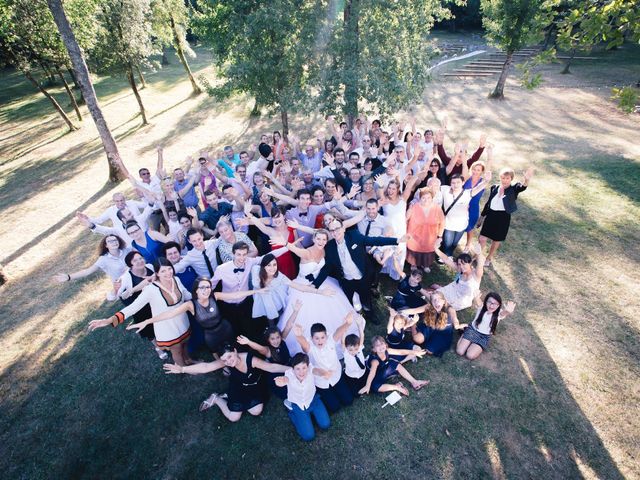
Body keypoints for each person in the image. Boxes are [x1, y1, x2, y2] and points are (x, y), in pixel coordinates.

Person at [88, 258, 193, 366]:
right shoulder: (151, 289)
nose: (168, 273)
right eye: (163, 271)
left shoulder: (176, 279)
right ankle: (184, 369)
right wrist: (109, 320)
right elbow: (133, 307)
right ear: (157, 273)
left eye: (169, 269)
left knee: (184, 344)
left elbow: (186, 294)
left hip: (182, 320)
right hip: (167, 327)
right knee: (177, 350)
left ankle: (189, 360)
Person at [127, 277, 262, 358]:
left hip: (225, 327)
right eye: (202, 287)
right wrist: (147, 321)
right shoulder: (190, 305)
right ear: (196, 290)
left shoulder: (215, 296)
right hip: (210, 334)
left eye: (208, 287)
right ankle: (222, 366)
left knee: (234, 344)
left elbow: (235, 295)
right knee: (215, 350)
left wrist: (256, 291)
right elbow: (169, 314)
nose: (206, 290)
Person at [274, 229, 361, 353]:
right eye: (318, 238)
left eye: (324, 239)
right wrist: (286, 243)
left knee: (333, 301)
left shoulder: (325, 251)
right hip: (303, 286)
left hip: (321, 282)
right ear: (314, 239)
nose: (321, 241)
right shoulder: (306, 253)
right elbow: (295, 249)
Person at [163, 344, 290, 420]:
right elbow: (206, 367)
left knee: (256, 411)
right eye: (224, 360)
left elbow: (272, 367)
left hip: (254, 387)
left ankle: (227, 396)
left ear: (235, 351)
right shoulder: (225, 362)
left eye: (230, 357)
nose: (228, 362)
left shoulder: (250, 359)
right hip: (238, 387)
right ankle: (217, 398)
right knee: (233, 417)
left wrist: (291, 369)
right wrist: (182, 369)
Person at [313, 218, 403, 315]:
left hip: (362, 276)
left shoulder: (354, 236)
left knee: (365, 297)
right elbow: (327, 268)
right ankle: (352, 315)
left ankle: (369, 314)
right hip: (346, 280)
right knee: (348, 299)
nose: (335, 232)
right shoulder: (329, 247)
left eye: (337, 229)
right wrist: (315, 285)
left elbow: (375, 240)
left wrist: (397, 240)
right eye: (332, 230)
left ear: (343, 228)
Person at [211, 242, 288, 340]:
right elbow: (211, 285)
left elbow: (268, 256)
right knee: (235, 329)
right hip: (229, 305)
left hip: (245, 302)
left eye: (244, 254)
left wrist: (288, 247)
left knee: (249, 327)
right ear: (233, 254)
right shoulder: (221, 269)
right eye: (238, 254)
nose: (242, 258)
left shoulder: (249, 262)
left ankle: (252, 347)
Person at [249, 254, 334, 331]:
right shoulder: (256, 270)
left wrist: (320, 292)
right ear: (263, 266)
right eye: (269, 265)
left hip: (273, 300)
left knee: (273, 318)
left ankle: (272, 331)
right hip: (260, 299)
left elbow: (300, 287)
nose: (272, 268)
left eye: (274, 265)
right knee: (262, 316)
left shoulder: (280, 277)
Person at [237, 304, 301, 399]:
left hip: (290, 364)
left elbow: (288, 325)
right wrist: (248, 342)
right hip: (279, 371)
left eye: (277, 337)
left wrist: (295, 311)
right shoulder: (268, 350)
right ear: (268, 340)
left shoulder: (282, 340)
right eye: (272, 339)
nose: (276, 341)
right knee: (291, 391)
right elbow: (259, 348)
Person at [293, 317, 354, 414]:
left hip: (336, 377)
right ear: (312, 338)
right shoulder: (310, 348)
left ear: (326, 336)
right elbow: (303, 343)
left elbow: (339, 331)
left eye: (322, 337)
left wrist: (348, 323)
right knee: (334, 408)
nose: (320, 341)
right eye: (316, 338)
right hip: (322, 383)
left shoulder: (330, 341)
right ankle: (320, 395)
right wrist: (298, 336)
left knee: (348, 400)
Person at [478, 167, 534, 267]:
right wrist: (481, 217)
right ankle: (478, 257)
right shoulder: (494, 187)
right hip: (491, 215)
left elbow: (522, 187)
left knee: (496, 240)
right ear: (500, 177)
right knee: (482, 238)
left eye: (507, 178)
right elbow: (488, 203)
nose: (505, 180)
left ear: (511, 179)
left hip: (503, 218)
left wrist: (527, 180)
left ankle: (489, 258)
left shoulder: (513, 189)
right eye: (503, 178)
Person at [115, 251, 164, 358]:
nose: (139, 261)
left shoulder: (150, 267)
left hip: (155, 301)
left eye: (140, 258)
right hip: (141, 307)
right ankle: (158, 348)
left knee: (161, 321)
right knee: (149, 328)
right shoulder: (126, 277)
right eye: (135, 260)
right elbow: (121, 296)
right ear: (130, 264)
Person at [52, 234, 130, 300]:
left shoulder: (127, 251)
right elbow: (87, 271)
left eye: (115, 240)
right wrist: (69, 277)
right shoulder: (104, 259)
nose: (114, 242)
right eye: (110, 241)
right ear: (106, 245)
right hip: (122, 287)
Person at [274, 353, 331, 442]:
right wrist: (280, 381)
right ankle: (292, 411)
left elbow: (317, 371)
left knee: (325, 424)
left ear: (307, 367)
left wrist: (324, 373)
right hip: (298, 405)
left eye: (304, 368)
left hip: (313, 401)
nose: (301, 372)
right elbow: (285, 379)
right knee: (308, 436)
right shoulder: (289, 374)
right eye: (298, 369)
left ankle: (309, 417)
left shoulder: (310, 369)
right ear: (293, 369)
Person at [432, 240, 486, 327]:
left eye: (464, 264)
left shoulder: (476, 275)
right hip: (453, 289)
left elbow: (480, 265)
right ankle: (438, 288)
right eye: (459, 264)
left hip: (462, 299)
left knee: (443, 305)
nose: (461, 266)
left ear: (470, 263)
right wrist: (435, 248)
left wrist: (479, 253)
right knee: (435, 295)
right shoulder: (460, 269)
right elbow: (446, 259)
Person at [440, 172, 489, 258]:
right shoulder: (445, 189)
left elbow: (479, 187)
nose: (455, 185)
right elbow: (433, 187)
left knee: (454, 243)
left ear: (463, 183)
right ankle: (446, 256)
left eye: (458, 182)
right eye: (453, 183)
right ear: (450, 183)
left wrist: (486, 181)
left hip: (461, 225)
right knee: (447, 243)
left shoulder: (467, 193)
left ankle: (449, 254)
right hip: (448, 224)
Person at [359, 336, 428, 396]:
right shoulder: (375, 361)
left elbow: (401, 352)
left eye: (382, 343)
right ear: (374, 349)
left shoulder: (387, 351)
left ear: (385, 345)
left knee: (395, 364)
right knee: (375, 387)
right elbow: (372, 373)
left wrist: (415, 352)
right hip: (375, 376)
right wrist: (367, 386)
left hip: (383, 370)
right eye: (377, 345)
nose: (381, 346)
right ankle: (396, 387)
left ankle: (414, 382)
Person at [242, 205, 298, 279]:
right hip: (275, 265)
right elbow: (260, 225)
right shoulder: (271, 231)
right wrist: (249, 215)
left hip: (290, 262)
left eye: (278, 216)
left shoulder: (292, 228)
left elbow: (298, 245)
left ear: (284, 216)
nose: (276, 220)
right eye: (274, 217)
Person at [457, 293, 516, 360]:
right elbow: (478, 300)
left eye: (495, 304)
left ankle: (470, 341)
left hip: (483, 337)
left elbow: (504, 313)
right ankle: (464, 332)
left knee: (470, 355)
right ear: (485, 302)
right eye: (489, 302)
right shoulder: (481, 307)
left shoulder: (499, 313)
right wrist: (476, 297)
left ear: (499, 305)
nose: (491, 306)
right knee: (460, 352)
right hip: (472, 330)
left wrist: (507, 311)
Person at [408, 291, 462, 357]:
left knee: (430, 351)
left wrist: (457, 324)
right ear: (431, 303)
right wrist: (398, 312)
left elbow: (454, 318)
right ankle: (413, 324)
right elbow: (414, 311)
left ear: (444, 301)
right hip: (430, 327)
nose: (436, 302)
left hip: (442, 333)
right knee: (417, 339)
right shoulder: (430, 306)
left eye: (439, 299)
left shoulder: (449, 309)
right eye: (434, 300)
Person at [406, 188, 445, 273]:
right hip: (415, 237)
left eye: (428, 198)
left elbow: (442, 222)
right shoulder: (414, 206)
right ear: (420, 198)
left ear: (432, 198)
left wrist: (440, 236)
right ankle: (414, 264)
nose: (426, 200)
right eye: (423, 197)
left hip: (430, 237)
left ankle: (426, 265)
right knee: (414, 250)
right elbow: (406, 219)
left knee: (428, 251)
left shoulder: (437, 208)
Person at [341, 315, 368, 396]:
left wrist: (359, 325)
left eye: (355, 349)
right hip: (351, 375)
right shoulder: (346, 352)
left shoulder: (359, 348)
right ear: (346, 348)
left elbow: (362, 336)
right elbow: (342, 341)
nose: (353, 352)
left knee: (366, 387)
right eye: (351, 350)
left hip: (362, 372)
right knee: (356, 394)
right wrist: (344, 325)